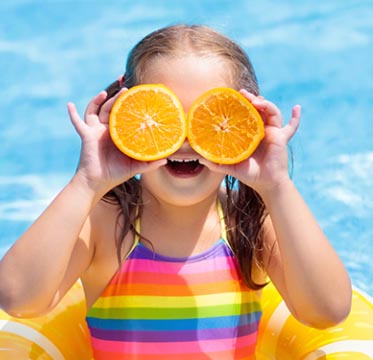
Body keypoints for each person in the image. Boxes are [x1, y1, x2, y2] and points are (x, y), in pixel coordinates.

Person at [0, 24, 351, 358]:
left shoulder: (250, 223)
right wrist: (88, 182)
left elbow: (327, 311)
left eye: (209, 117)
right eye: (163, 115)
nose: (185, 140)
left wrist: (277, 187)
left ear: (247, 119)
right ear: (126, 112)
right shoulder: (105, 224)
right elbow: (19, 300)